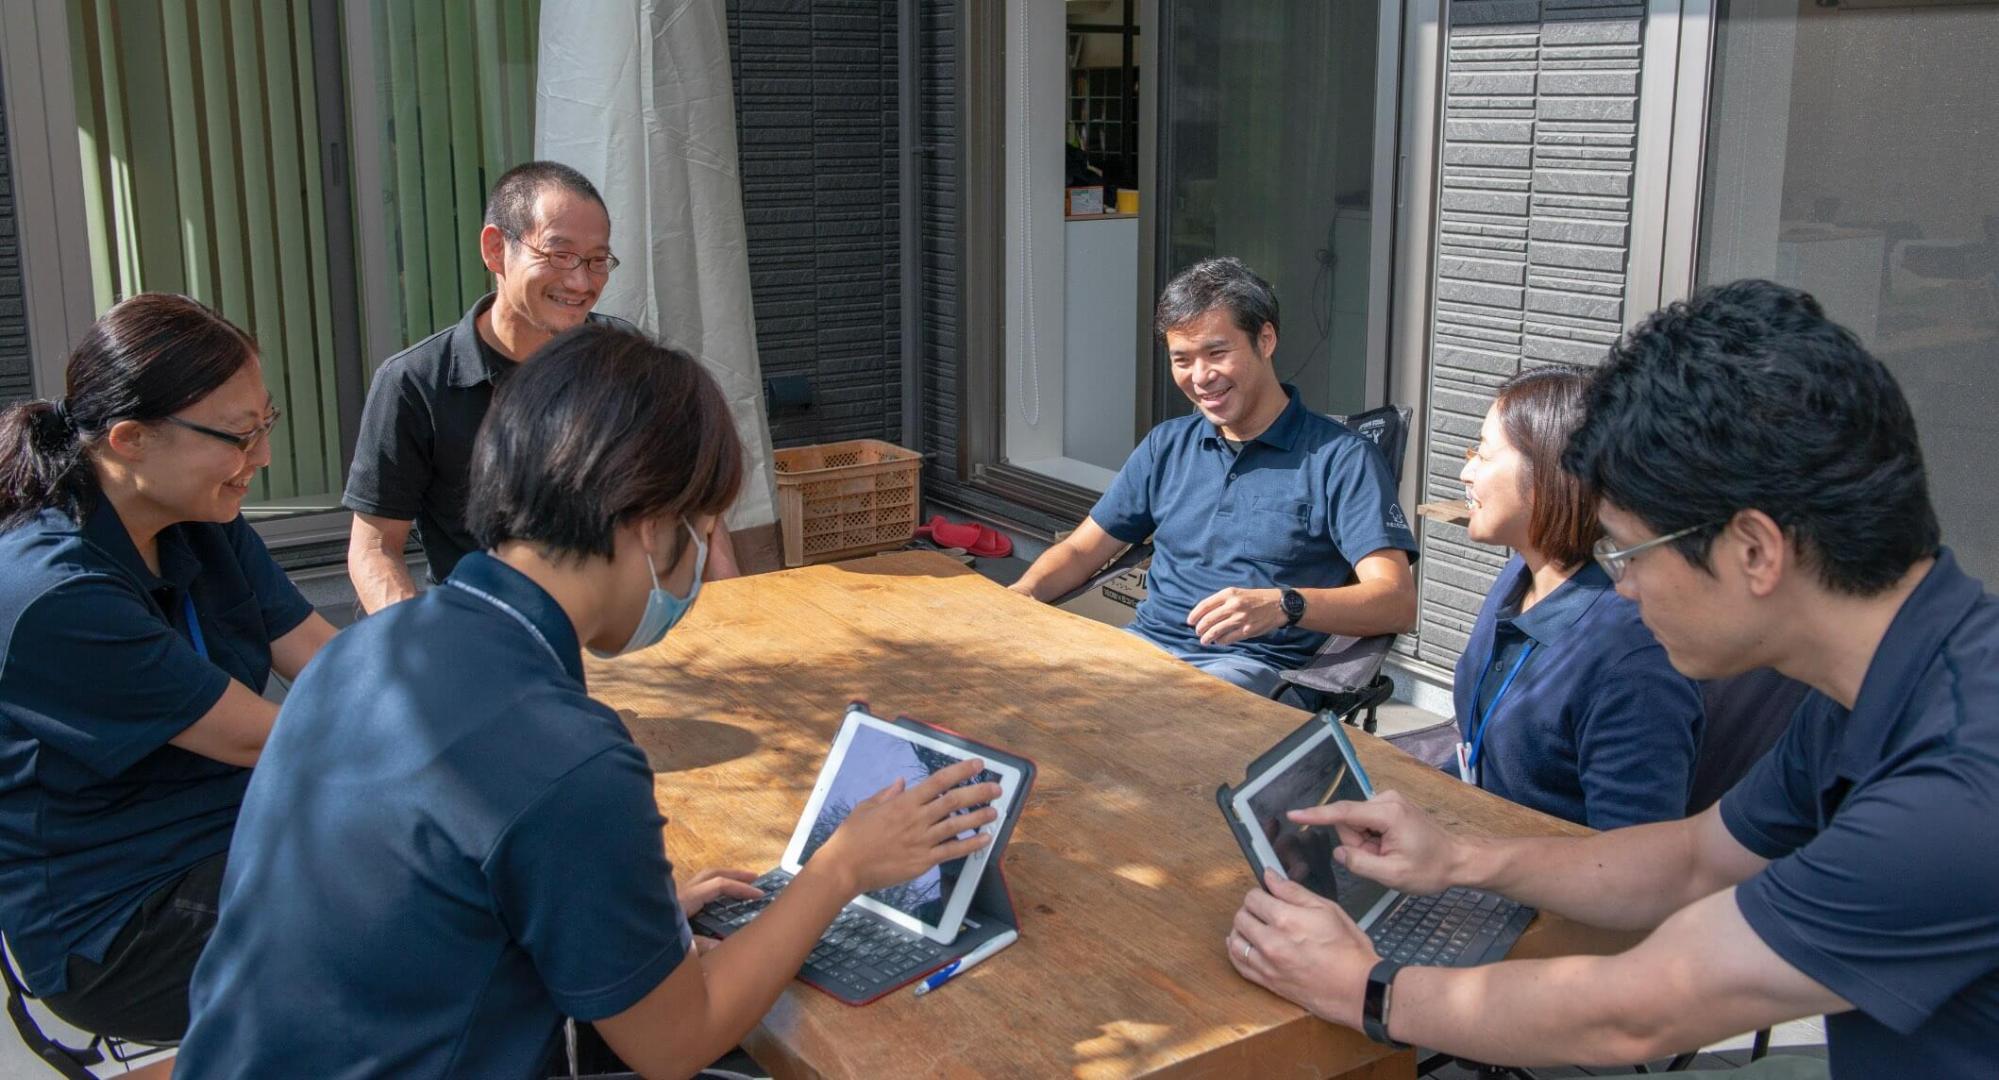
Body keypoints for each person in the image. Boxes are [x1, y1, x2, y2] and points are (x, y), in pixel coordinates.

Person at [179, 324, 1000, 1079]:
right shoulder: (567, 753)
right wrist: (838, 869)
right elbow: (676, 1041)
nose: (700, 572)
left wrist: (629, 928)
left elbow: (425, 896)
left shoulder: (367, 651)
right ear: (649, 524)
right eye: (705, 531)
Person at [1224, 280, 1998, 1078]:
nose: (1619, 587)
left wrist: (1368, 990)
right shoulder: (1878, 681)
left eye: (1627, 552)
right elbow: (1696, 858)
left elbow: (1641, 1011)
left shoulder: (1958, 783)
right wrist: (1461, 857)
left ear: (1755, 552)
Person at [0, 293, 336, 1043]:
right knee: (439, 905)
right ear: (128, 439)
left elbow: (324, 658)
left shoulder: (202, 513)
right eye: (240, 436)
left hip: (236, 836)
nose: (263, 458)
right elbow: (264, 738)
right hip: (124, 921)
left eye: (266, 426)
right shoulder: (52, 592)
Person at [1009, 258, 1418, 699]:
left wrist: (1285, 605)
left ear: (1265, 339)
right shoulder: (1168, 445)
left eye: (1217, 353)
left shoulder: (1341, 459)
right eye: (1181, 359)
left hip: (1251, 672)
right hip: (1141, 652)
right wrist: (1022, 594)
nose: (1200, 377)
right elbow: (1080, 550)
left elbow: (1396, 601)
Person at [343, 159, 739, 613]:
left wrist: (727, 616)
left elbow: (699, 506)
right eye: (558, 255)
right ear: (495, 249)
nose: (580, 281)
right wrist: (422, 649)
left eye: (596, 261)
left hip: (622, 625)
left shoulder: (625, 358)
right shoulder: (414, 383)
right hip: (486, 631)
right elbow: (375, 548)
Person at [1453, 366, 1703, 828]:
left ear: (1552, 472)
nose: (1466, 472)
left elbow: (1633, 862)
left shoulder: (1633, 659)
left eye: (1484, 455)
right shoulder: (1521, 575)